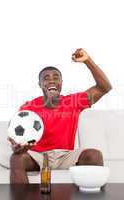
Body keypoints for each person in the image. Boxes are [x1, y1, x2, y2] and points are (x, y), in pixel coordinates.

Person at [8, 48, 112, 183]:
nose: (51, 80)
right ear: (40, 85)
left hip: (65, 155)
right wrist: (16, 146)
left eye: (56, 77)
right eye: (46, 78)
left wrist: (87, 61)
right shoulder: (29, 107)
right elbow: (15, 134)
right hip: (38, 156)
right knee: (16, 158)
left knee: (94, 155)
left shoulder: (74, 102)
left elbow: (104, 87)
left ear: (61, 83)